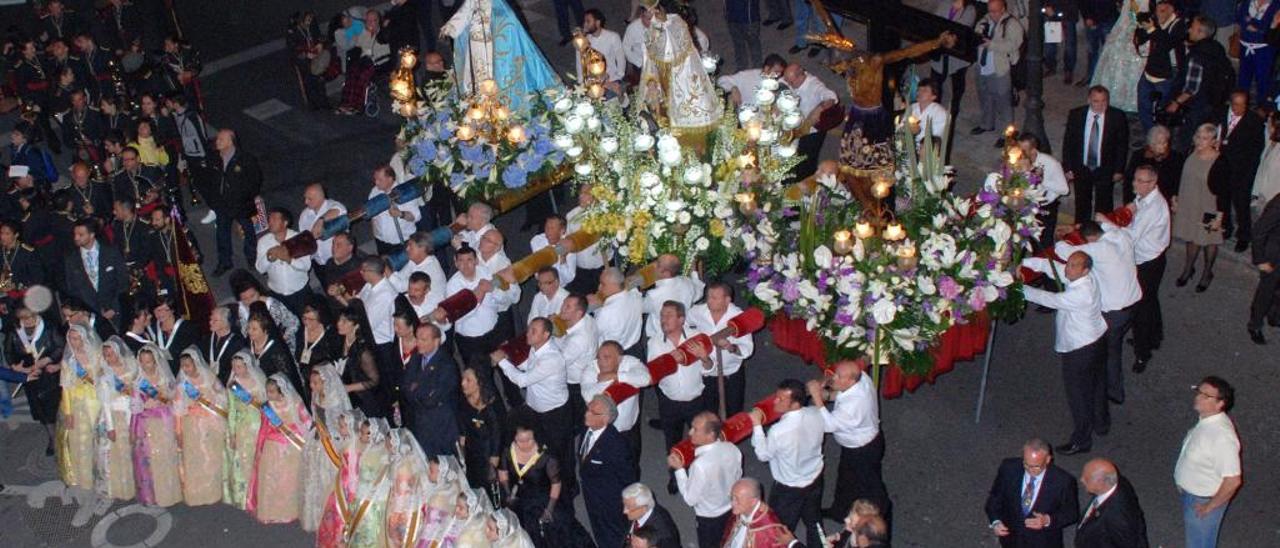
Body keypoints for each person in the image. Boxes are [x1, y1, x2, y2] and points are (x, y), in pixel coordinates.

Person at [1022, 251, 1109, 454]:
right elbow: (1050, 266)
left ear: (1084, 270)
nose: (1067, 268)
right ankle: (1101, 423)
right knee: (1096, 386)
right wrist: (1025, 262)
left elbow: (1049, 299)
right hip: (1096, 340)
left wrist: (1019, 288)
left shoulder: (1080, 294)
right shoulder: (1084, 277)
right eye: (1068, 264)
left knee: (1078, 395)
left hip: (1080, 349)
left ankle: (1082, 439)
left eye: (1072, 266)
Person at [1053, 221, 1141, 404]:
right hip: (1132, 303)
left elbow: (1065, 253)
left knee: (1110, 352)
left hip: (1114, 313)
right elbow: (1104, 225)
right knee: (1113, 347)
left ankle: (1113, 391)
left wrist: (1061, 239)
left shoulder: (1097, 250)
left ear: (1089, 239)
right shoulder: (1121, 236)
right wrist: (1076, 228)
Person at [1102, 165, 1170, 373]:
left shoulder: (1154, 207)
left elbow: (1130, 237)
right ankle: (1154, 336)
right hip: (1151, 259)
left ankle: (1143, 352)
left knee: (1139, 307)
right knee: (1149, 301)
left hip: (1147, 262)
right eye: (1135, 180)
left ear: (1153, 183)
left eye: (1141, 181)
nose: (1135, 184)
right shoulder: (1145, 198)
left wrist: (1106, 223)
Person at [440, 0, 562, 113]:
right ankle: (480, 103)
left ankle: (500, 105)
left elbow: (509, 21)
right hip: (476, 46)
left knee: (496, 75)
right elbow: (464, 11)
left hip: (495, 48)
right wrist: (451, 27)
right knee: (478, 75)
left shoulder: (501, 5)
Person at [807, 360, 889, 525]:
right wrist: (828, 395)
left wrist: (817, 396)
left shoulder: (854, 406)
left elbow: (828, 424)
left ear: (851, 380)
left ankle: (883, 521)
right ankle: (840, 510)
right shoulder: (861, 379)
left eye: (838, 376)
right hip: (855, 446)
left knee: (871, 489)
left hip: (863, 450)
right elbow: (842, 394)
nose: (834, 378)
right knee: (846, 479)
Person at [750, 380, 825, 548]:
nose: (775, 401)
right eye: (776, 396)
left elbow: (763, 454)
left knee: (780, 529)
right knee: (814, 521)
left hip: (789, 489)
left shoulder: (779, 431)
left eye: (781, 399)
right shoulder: (815, 413)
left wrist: (757, 426)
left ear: (796, 403)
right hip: (815, 477)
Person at [495, 317, 573, 472]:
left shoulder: (551, 358)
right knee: (542, 446)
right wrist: (510, 360)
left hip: (554, 414)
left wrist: (503, 362)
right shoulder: (536, 348)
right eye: (529, 329)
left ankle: (567, 489)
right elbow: (529, 368)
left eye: (533, 331)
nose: (528, 334)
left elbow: (523, 381)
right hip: (537, 409)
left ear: (546, 335)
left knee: (559, 453)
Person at [498, 422, 594, 547]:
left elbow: (556, 484)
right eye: (520, 440)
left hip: (545, 498)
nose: (525, 444)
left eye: (529, 439)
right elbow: (502, 471)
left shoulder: (547, 456)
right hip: (521, 499)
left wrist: (550, 508)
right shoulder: (508, 451)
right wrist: (507, 492)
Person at [635, 0, 723, 134]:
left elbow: (668, 54)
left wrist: (657, 32)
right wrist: (651, 83)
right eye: (645, 17)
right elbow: (650, 63)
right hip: (662, 83)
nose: (646, 21)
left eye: (649, 16)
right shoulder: (654, 30)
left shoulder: (675, 25)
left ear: (658, 11)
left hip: (683, 80)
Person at [1174, 376, 1242, 547]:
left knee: (1200, 543)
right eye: (1199, 392)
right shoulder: (1206, 422)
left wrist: (1209, 507)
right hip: (1193, 494)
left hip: (1202, 500)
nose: (1198, 397)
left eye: (1206, 396)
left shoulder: (1222, 438)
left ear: (1220, 403)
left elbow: (1233, 480)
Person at [983, 438, 1080, 546]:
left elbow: (1071, 513)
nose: (1030, 470)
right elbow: (994, 499)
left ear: (1048, 459)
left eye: (1036, 466)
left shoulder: (1063, 481)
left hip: (1043, 543)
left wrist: (1047, 520)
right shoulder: (1009, 468)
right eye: (1026, 464)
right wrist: (996, 521)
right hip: (1011, 540)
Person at [668, 411, 743, 548]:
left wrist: (679, 469)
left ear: (710, 435)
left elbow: (690, 499)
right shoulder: (732, 449)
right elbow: (738, 477)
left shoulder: (700, 465)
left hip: (709, 517)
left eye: (695, 430)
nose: (690, 432)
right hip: (731, 508)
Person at [1171, 123, 1230, 293]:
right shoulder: (1191, 153)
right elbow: (1181, 177)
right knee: (1191, 238)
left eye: (1205, 139)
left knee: (1209, 241)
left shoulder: (1220, 161)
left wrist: (1219, 217)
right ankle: (1188, 268)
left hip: (1208, 208)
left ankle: (1207, 272)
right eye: (1198, 137)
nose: (1200, 141)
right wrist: (1176, 197)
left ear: (1213, 141)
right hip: (1190, 204)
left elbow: (1224, 193)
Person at [249, 373, 312, 523]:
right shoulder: (267, 407)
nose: (269, 394)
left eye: (272, 391)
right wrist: (261, 446)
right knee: (271, 478)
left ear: (281, 391)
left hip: (292, 446)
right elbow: (264, 427)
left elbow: (307, 423)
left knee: (288, 480)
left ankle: (289, 511)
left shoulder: (295, 403)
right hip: (273, 446)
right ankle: (271, 511)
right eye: (267, 391)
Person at [1062, 86, 1131, 220]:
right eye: (1096, 101)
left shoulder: (1117, 117)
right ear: (1089, 100)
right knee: (1082, 204)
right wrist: (1068, 166)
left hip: (1105, 167)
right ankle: (1082, 231)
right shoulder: (1076, 115)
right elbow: (1069, 142)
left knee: (1104, 205)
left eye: (1103, 101)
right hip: (1082, 166)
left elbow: (1122, 145)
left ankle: (1103, 234)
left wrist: (1119, 170)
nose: (1100, 105)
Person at [201, 129, 262, 277]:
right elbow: (209, 180)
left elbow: (255, 181)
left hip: (241, 205)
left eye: (221, 139)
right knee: (222, 234)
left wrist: (244, 197)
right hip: (222, 205)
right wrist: (213, 200)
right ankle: (225, 262)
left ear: (230, 141)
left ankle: (252, 259)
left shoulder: (245, 159)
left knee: (248, 232)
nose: (217, 141)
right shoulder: (214, 158)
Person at [579, 395, 638, 548]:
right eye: (588, 409)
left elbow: (628, 478)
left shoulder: (615, 445)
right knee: (598, 531)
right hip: (592, 495)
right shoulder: (587, 427)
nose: (587, 414)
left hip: (609, 504)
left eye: (593, 412)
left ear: (606, 419)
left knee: (612, 538)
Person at [1166, 16, 1232, 151]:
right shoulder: (1217, 48)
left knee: (1186, 138)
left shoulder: (1197, 55)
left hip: (1197, 105)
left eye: (1193, 28)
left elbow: (1192, 87)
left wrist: (1176, 102)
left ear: (1201, 33)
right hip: (1214, 101)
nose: (1189, 30)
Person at [6, 306, 64, 456]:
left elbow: (60, 346)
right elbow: (9, 352)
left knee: (53, 406)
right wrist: (16, 367)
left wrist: (46, 360)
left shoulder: (49, 327)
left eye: (32, 317)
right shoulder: (14, 332)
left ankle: (59, 435)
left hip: (49, 372)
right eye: (25, 319)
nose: (30, 321)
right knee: (39, 408)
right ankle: (52, 436)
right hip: (29, 374)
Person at [300, 364, 351, 532]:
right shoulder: (316, 395)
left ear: (325, 382)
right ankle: (316, 516)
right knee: (314, 477)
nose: (312, 386)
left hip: (331, 444)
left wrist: (328, 432)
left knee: (327, 478)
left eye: (315, 383)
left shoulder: (335, 399)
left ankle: (332, 517)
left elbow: (340, 424)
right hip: (318, 441)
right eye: (311, 383)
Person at [175, 349, 228, 506]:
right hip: (191, 423)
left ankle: (212, 489)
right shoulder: (182, 384)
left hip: (209, 421)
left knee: (210, 455)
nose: (186, 369)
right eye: (183, 366)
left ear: (195, 364)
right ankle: (197, 491)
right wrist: (178, 430)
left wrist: (210, 400)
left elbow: (222, 395)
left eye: (188, 365)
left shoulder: (208, 377)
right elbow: (178, 407)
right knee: (194, 457)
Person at [132, 343, 183, 507]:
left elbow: (173, 398)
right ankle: (153, 495)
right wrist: (144, 406)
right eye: (142, 362)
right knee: (150, 458)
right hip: (147, 423)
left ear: (155, 361)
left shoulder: (164, 378)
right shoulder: (139, 381)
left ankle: (169, 492)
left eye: (148, 361)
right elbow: (135, 405)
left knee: (166, 456)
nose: (145, 365)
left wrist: (165, 401)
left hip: (164, 420)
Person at [1216, 91, 1266, 253]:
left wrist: (1249, 174)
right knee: (1222, 199)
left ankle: (1244, 235)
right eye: (1236, 104)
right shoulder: (1220, 114)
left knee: (1241, 203)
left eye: (1243, 104)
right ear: (1230, 103)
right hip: (1223, 166)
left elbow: (1256, 150)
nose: (1240, 108)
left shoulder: (1254, 121)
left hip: (1242, 169)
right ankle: (1225, 227)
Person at [57, 323, 103, 491]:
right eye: (71, 338)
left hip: (96, 400)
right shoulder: (68, 361)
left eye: (77, 338)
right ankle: (85, 474)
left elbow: (105, 377)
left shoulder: (97, 355)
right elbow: (66, 388)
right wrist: (68, 412)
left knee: (100, 437)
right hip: (78, 402)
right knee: (82, 440)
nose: (74, 342)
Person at [971, 0, 1023, 147]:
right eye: (990, 11)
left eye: (995, 11)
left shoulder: (1012, 24)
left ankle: (1007, 134)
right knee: (984, 96)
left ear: (1003, 9)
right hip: (983, 66)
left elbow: (1013, 44)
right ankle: (987, 123)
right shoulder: (985, 19)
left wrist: (992, 44)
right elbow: (976, 33)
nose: (992, 14)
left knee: (1003, 103)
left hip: (1000, 69)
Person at [406, 322, 460, 457]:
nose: (418, 343)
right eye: (417, 338)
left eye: (423, 339)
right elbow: (405, 386)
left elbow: (433, 398)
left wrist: (416, 390)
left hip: (440, 426)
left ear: (436, 341)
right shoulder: (416, 358)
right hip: (420, 422)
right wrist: (417, 390)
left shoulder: (446, 364)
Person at [95, 337, 138, 501]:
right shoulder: (105, 376)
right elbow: (105, 403)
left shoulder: (132, 367)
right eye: (105, 355)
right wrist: (111, 427)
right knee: (114, 452)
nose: (108, 358)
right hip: (115, 415)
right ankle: (117, 484)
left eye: (111, 354)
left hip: (132, 412)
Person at [1134, 0, 1187, 130]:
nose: (1159, 11)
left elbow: (1167, 44)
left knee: (1163, 111)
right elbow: (1140, 40)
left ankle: (1162, 138)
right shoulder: (1154, 19)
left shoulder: (1179, 25)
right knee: (1144, 105)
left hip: (1168, 75)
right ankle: (1150, 135)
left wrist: (1152, 29)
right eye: (1157, 7)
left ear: (1171, 8)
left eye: (1163, 8)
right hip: (1150, 71)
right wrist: (1142, 27)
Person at [64, 218, 128, 326]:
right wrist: (85, 311)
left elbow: (123, 281)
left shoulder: (111, 252)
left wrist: (114, 307)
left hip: (115, 313)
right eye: (75, 234)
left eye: (81, 234)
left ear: (92, 234)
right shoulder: (71, 259)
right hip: (88, 316)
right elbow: (72, 289)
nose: (76, 238)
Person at [223, 351, 265, 510]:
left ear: (247, 366)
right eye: (234, 367)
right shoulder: (233, 385)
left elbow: (266, 404)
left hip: (257, 424)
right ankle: (243, 495)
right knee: (242, 459)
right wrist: (232, 433)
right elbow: (232, 410)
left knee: (257, 458)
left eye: (239, 366)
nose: (236, 369)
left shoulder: (258, 381)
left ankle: (257, 494)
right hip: (242, 426)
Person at [782, 62, 838, 180]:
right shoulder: (791, 79)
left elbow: (830, 96)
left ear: (801, 76)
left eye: (791, 82)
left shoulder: (814, 85)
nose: (789, 84)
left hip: (812, 132)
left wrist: (820, 108)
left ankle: (806, 185)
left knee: (806, 161)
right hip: (796, 126)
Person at [1075, 458, 1150, 547]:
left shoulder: (1116, 516)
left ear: (1100, 483)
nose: (1081, 480)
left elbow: (1126, 543)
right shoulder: (1119, 483)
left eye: (1086, 479)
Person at [315, 409, 362, 547]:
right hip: (342, 481)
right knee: (333, 513)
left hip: (347, 486)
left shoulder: (352, 446)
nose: (339, 428)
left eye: (342, 426)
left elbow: (340, 463)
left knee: (340, 513)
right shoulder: (349, 441)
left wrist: (326, 442)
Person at [458, 366, 507, 498]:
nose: (463, 383)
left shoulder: (491, 407)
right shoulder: (464, 401)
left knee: (491, 491)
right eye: (463, 379)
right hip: (472, 453)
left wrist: (493, 462)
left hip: (488, 455)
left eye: (468, 380)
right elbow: (463, 426)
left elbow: (497, 434)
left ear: (479, 383)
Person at [1017, 133, 1071, 250]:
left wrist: (1041, 180)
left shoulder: (1051, 164)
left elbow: (1064, 189)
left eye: (1024, 150)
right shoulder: (1018, 160)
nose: (1021, 153)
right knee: (1023, 240)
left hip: (1045, 208)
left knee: (1043, 245)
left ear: (1033, 149)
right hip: (1026, 207)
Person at [931, 0, 977, 130]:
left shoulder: (969, 10)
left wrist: (947, 35)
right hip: (940, 55)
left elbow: (962, 29)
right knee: (935, 86)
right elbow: (935, 20)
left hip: (957, 58)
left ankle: (953, 115)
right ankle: (934, 115)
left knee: (957, 88)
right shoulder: (945, 3)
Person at [336, 9, 391, 115]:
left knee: (362, 75)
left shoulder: (383, 33)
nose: (371, 23)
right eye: (368, 21)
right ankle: (345, 103)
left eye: (374, 21)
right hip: (364, 60)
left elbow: (386, 50)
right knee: (352, 73)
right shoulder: (363, 33)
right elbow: (357, 45)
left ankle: (357, 106)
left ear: (378, 21)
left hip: (379, 61)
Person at [335, 305, 386, 418]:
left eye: (345, 321)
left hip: (366, 400)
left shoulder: (363, 351)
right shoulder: (339, 342)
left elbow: (374, 380)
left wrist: (349, 388)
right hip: (350, 398)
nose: (339, 323)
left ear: (356, 326)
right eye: (339, 320)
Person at [246, 311, 305, 400]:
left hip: (276, 392)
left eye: (254, 329)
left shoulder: (276, 349)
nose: (250, 331)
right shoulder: (248, 344)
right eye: (248, 328)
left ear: (265, 331)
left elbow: (286, 376)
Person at [643, 254, 703, 340]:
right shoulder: (686, 282)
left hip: (658, 337)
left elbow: (638, 308)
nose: (652, 266)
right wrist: (694, 272)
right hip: (682, 333)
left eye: (657, 265)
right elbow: (699, 292)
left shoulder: (654, 295)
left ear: (666, 273)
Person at [722, 478, 792, 548]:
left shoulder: (771, 532)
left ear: (753, 502)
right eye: (732, 497)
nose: (732, 503)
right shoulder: (740, 510)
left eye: (737, 499)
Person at [1248, 192, 1280, 344]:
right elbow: (1259, 230)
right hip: (1275, 256)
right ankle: (1255, 324)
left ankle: (1274, 316)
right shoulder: (1279, 202)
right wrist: (1260, 259)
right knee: (1266, 290)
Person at [368, 165, 420, 256]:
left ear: (390, 179)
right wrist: (375, 235)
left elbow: (416, 216)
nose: (376, 183)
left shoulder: (404, 192)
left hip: (401, 242)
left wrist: (401, 214)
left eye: (380, 180)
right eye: (375, 179)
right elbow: (373, 216)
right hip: (381, 241)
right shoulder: (374, 192)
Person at [1124, 125, 1184, 203]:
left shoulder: (1176, 158)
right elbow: (1129, 182)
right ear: (1151, 144)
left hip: (1165, 201)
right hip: (1141, 200)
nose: (1163, 146)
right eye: (1159, 143)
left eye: (1165, 142)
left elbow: (1178, 183)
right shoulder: (1139, 156)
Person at [594, 266, 644, 354]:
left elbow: (595, 334)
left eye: (603, 284)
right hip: (636, 350)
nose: (599, 288)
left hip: (614, 355)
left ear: (614, 285)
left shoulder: (606, 312)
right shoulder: (635, 296)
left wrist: (596, 307)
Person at [296, 183, 346, 269]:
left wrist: (320, 220)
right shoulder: (304, 215)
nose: (305, 202)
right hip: (318, 262)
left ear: (320, 197)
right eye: (305, 198)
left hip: (337, 261)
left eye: (309, 199)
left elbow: (339, 209)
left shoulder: (332, 206)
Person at [1084, 0, 1129, 95]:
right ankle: (1091, 76)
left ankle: (1107, 79)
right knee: (1092, 51)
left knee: (1109, 52)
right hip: (1091, 17)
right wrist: (1087, 16)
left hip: (1109, 19)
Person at [576, 10, 626, 91]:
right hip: (592, 83)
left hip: (611, 79)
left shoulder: (613, 37)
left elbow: (621, 58)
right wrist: (581, 82)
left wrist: (619, 77)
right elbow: (579, 62)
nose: (585, 25)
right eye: (584, 21)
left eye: (588, 21)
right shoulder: (584, 41)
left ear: (598, 23)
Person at [622, 482, 682, 548]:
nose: (624, 511)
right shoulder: (637, 511)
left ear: (643, 508)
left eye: (629, 507)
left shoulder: (664, 535)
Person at [149, 296, 197, 374]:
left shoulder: (187, 327)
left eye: (166, 310)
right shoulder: (152, 329)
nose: (161, 313)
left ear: (172, 310)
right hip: (160, 374)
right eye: (158, 310)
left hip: (183, 372)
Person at [724, 0, 763, 72]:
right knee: (738, 43)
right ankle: (741, 67)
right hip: (732, 16)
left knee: (753, 43)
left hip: (749, 18)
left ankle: (758, 67)